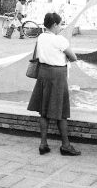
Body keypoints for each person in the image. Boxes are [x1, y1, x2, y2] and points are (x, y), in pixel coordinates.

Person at [26, 12, 81, 156]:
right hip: (57, 76)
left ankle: (43, 144)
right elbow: (73, 57)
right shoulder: (60, 40)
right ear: (55, 24)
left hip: (44, 73)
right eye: (60, 24)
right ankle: (65, 145)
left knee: (43, 111)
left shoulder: (41, 37)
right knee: (61, 112)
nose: (61, 27)